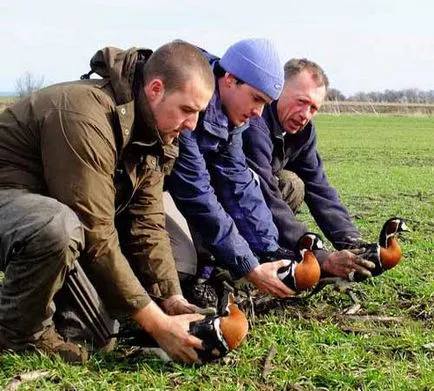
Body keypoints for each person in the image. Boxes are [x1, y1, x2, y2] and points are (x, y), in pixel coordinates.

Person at [0, 41, 215, 364]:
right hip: (16, 206)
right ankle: (17, 336)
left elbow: (147, 223)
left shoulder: (155, 136)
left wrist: (171, 298)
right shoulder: (84, 115)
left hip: (42, 214)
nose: (193, 124)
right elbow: (95, 231)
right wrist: (156, 324)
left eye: (199, 113)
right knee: (57, 226)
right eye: (187, 110)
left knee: (98, 336)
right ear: (156, 89)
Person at [242, 58, 372, 280]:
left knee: (292, 183)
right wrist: (320, 256)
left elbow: (319, 188)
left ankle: (263, 248)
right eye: (301, 101)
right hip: (233, 197)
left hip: (257, 197)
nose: (305, 114)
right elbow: (265, 195)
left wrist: (350, 239)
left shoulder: (303, 132)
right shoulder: (256, 122)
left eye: (313, 108)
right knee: (283, 184)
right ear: (278, 91)